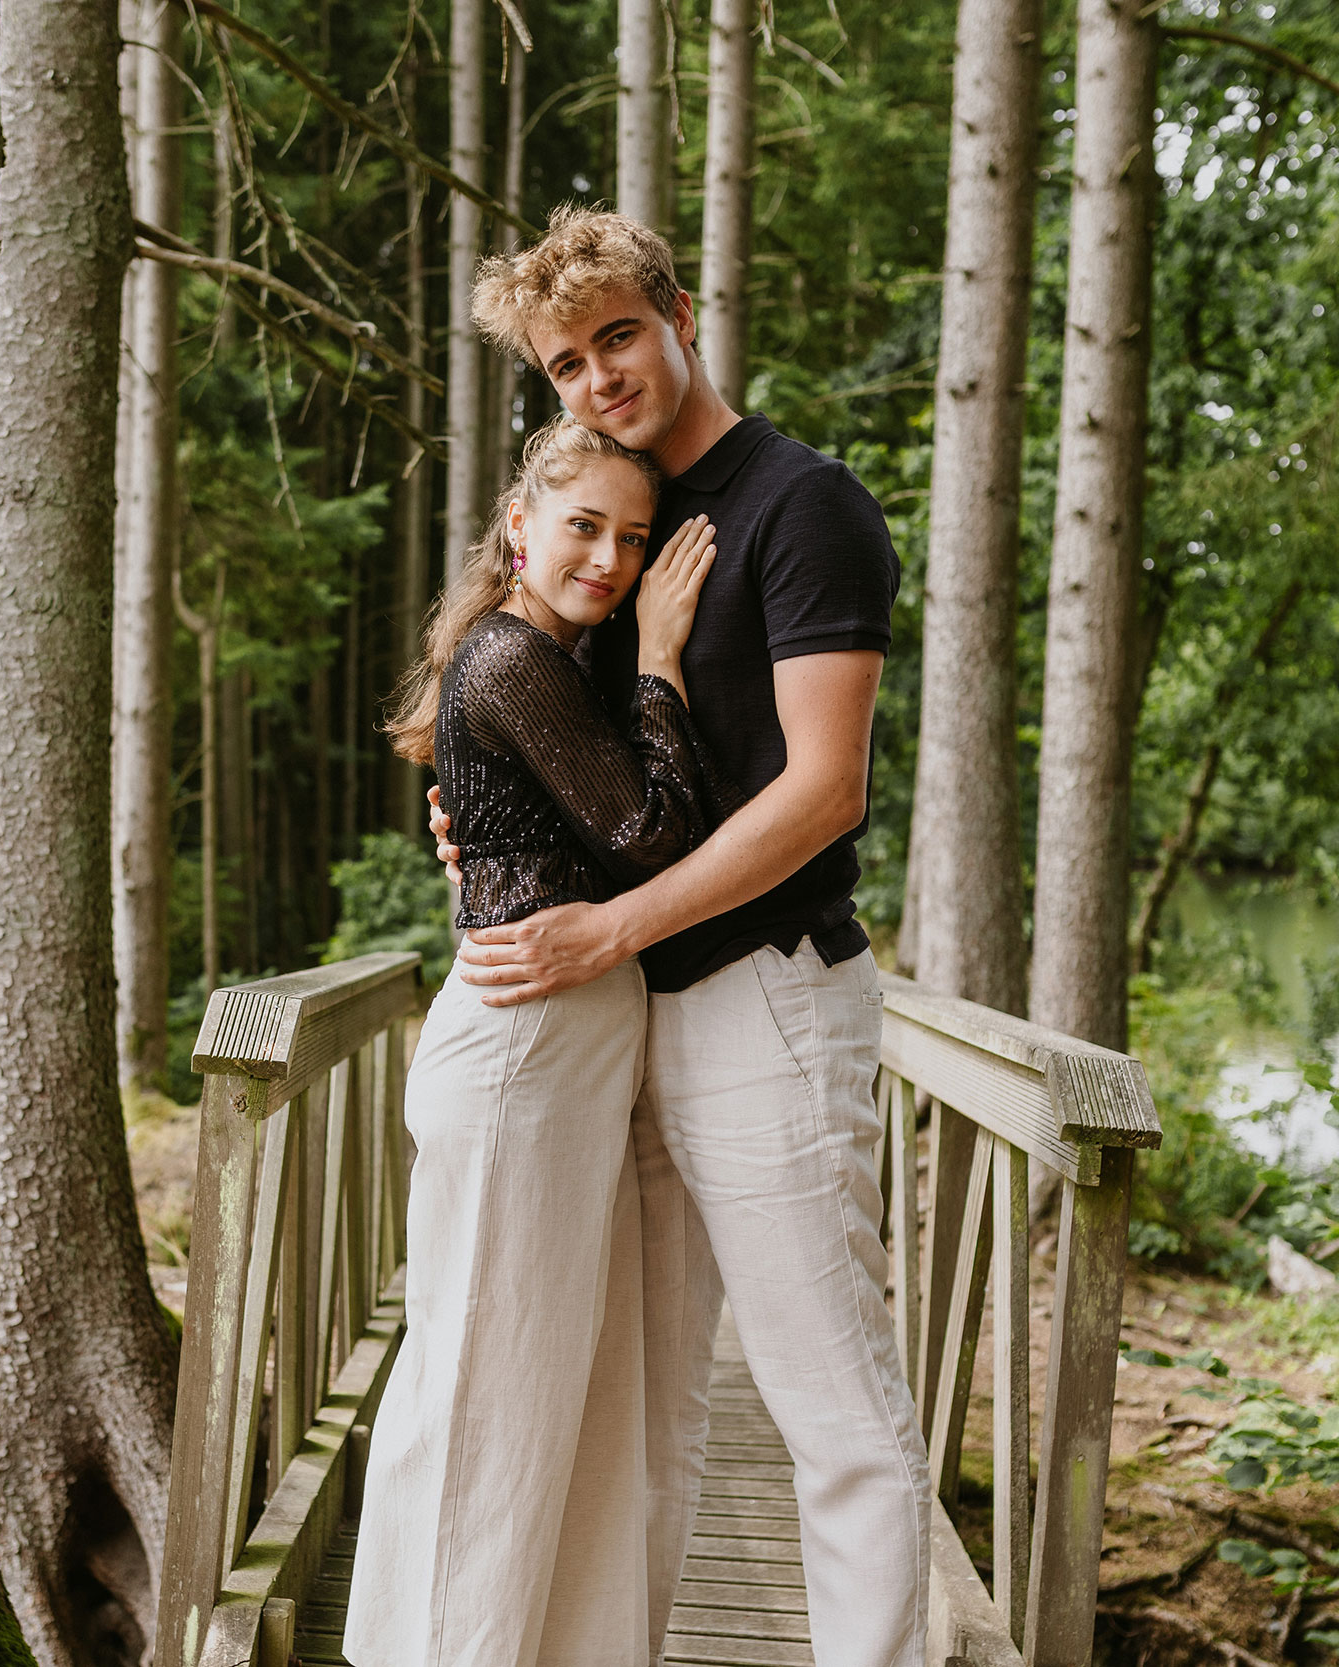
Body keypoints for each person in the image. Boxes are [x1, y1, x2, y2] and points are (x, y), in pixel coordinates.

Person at [436, 205, 931, 1667]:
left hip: (764, 996)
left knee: (835, 1411)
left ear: (681, 316)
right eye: (566, 363)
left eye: (619, 338)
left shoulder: (803, 504)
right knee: (638, 1414)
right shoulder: (610, 519)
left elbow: (823, 789)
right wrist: (482, 837)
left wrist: (611, 928)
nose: (600, 377)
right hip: (621, 1021)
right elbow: (562, 754)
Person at [344, 418, 722, 1667]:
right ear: (519, 525)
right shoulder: (513, 657)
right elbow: (652, 835)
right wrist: (661, 656)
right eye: (584, 527)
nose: (610, 560)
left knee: (561, 1379)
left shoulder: (550, 658)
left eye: (634, 539)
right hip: (523, 1054)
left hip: (561, 1057)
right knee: (486, 1386)